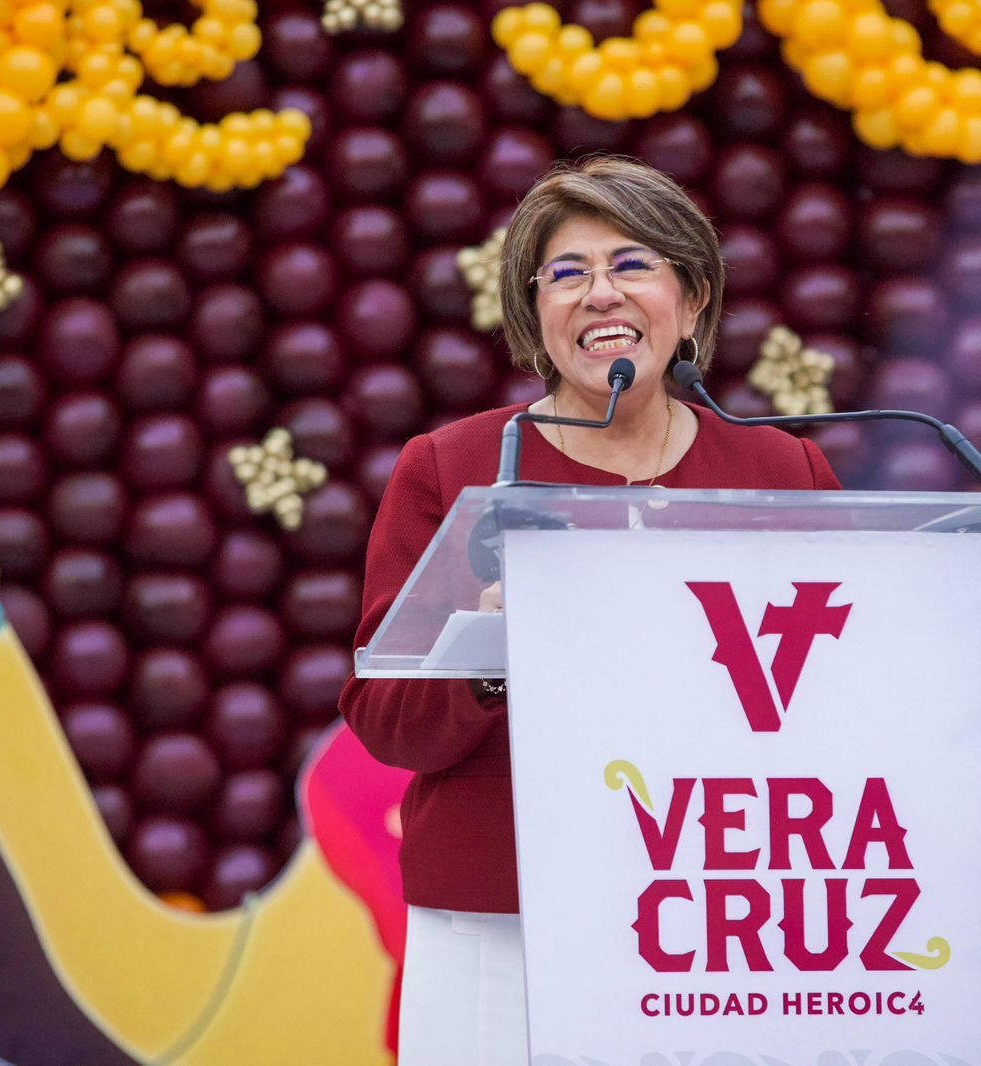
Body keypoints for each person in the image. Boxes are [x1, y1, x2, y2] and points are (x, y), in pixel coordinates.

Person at [338, 156, 843, 1064]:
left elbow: (852, 684)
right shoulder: (454, 469)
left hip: (724, 909)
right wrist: (489, 651)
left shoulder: (783, 472)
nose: (600, 292)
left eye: (633, 264)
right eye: (567, 273)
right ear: (535, 313)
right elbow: (385, 718)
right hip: (505, 917)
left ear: (692, 299)